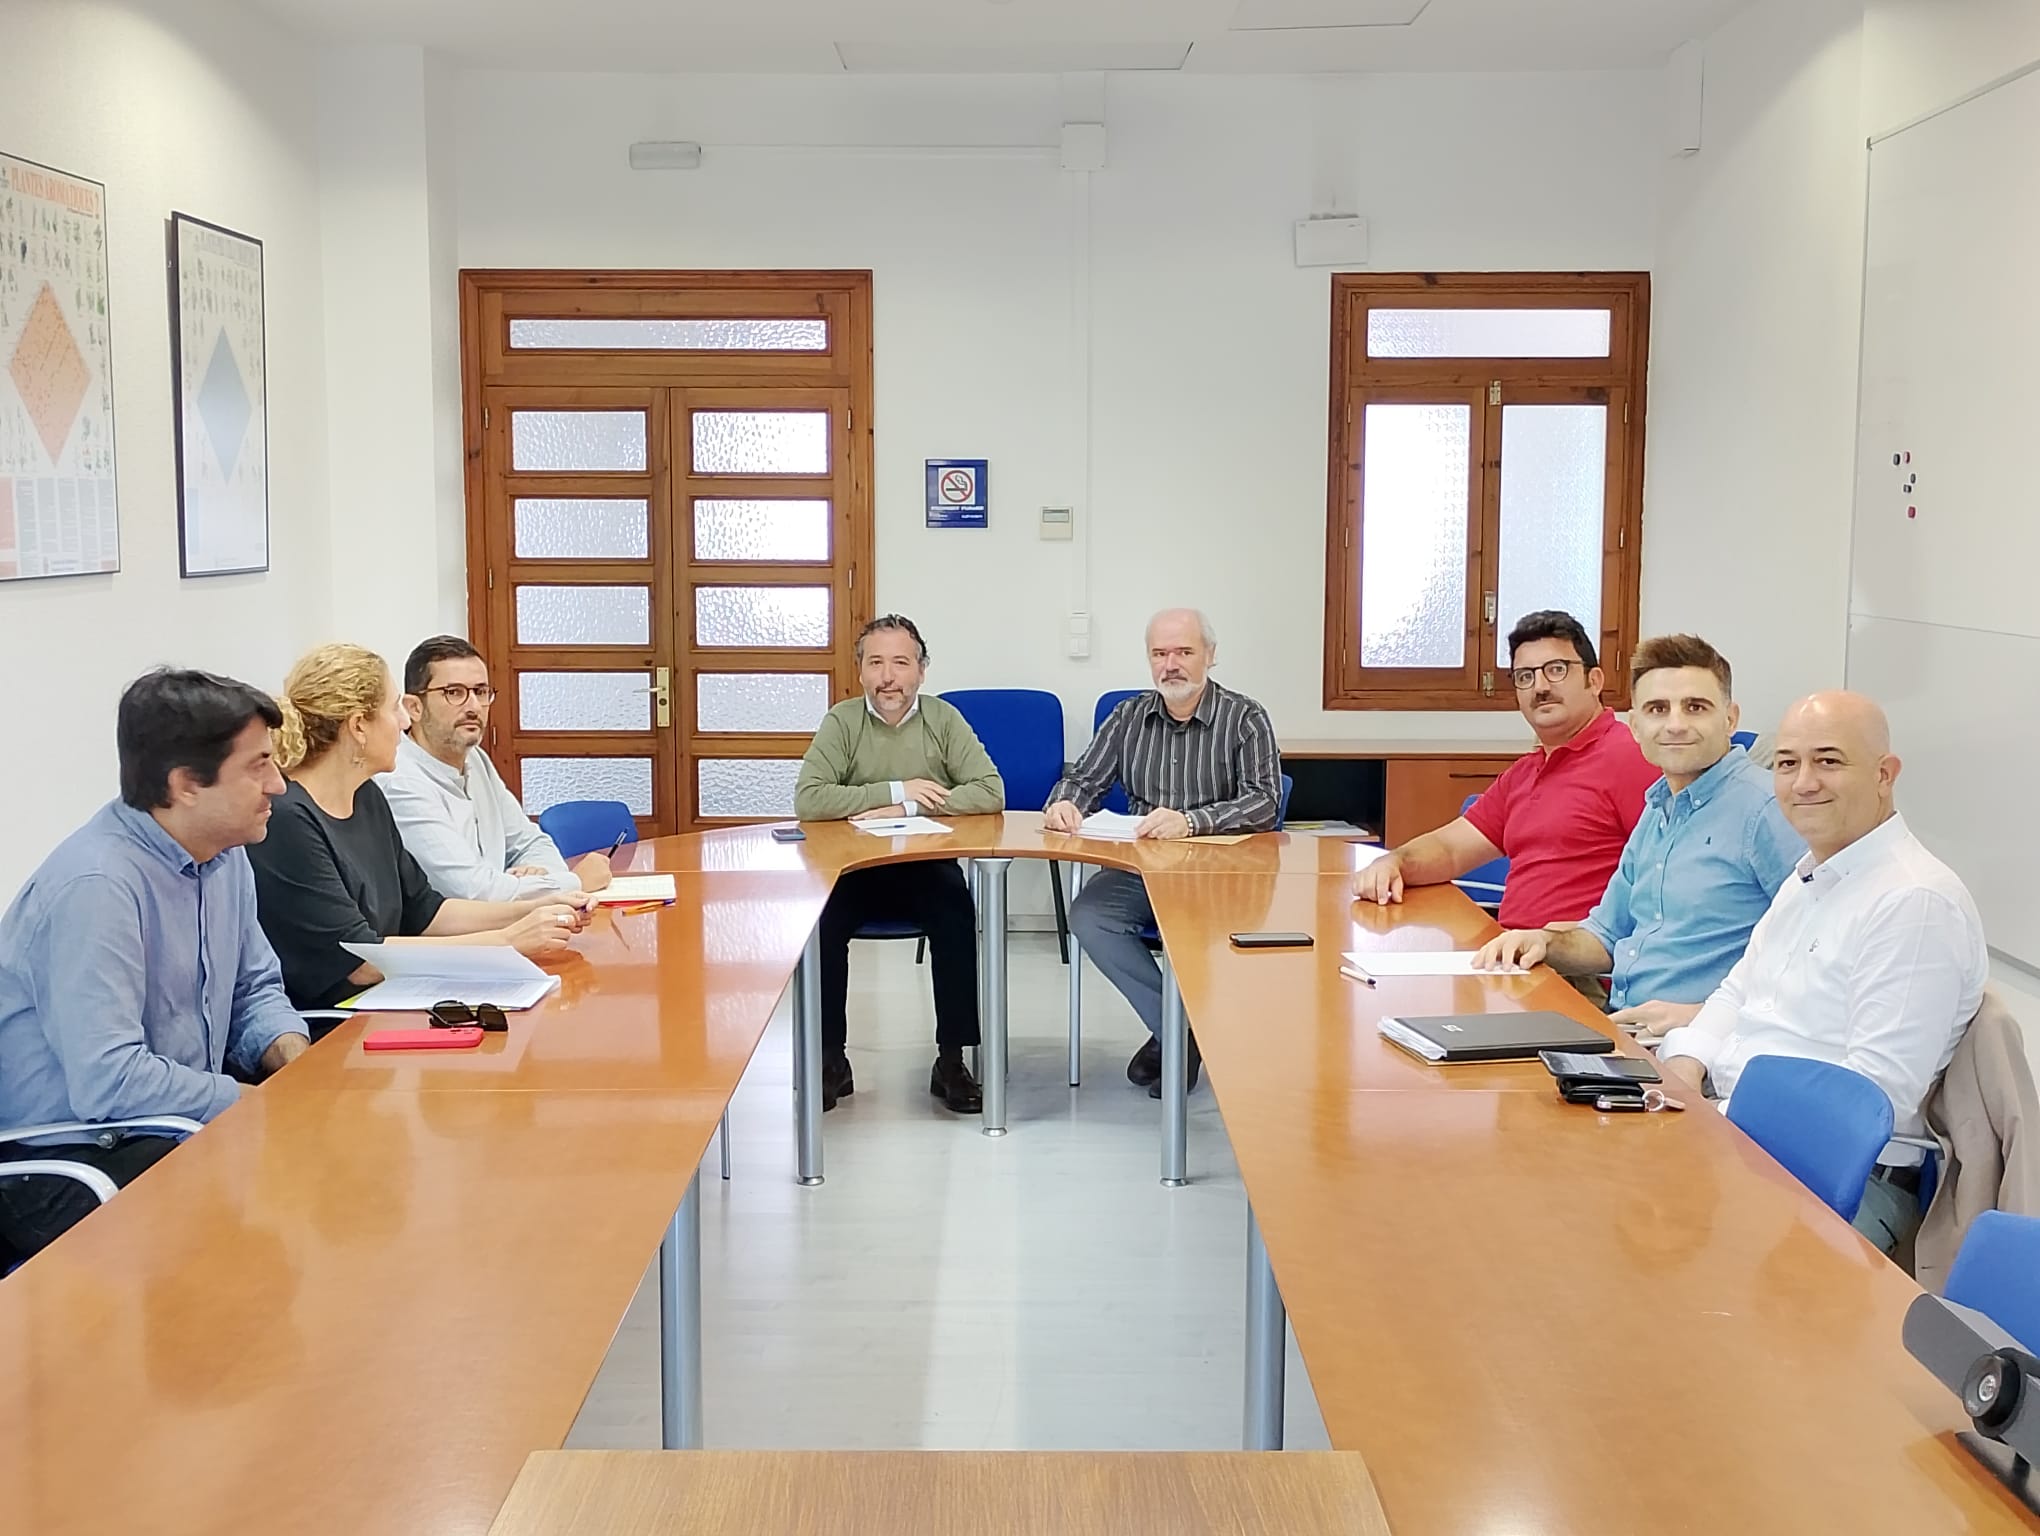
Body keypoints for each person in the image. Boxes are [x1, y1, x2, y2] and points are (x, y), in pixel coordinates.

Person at [1656, 691, 1987, 1257]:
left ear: (1885, 774)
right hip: (1743, 1136)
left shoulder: (1913, 901)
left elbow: (1869, 1098)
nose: (1803, 782)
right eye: (1787, 763)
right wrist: (1683, 1069)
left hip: (1842, 1178)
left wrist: (1719, 1126)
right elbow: (1739, 990)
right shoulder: (1813, 872)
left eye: (1828, 761)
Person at [0, 670, 312, 1260]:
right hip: (64, 1160)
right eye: (258, 766)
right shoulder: (97, 887)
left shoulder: (225, 855)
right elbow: (109, 1080)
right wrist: (252, 1103)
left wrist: (294, 1064)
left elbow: (256, 989)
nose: (278, 784)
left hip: (171, 1128)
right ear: (185, 784)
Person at [1475, 634, 1803, 1029]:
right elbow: (1605, 936)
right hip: (1627, 1027)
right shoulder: (1657, 809)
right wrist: (1544, 941)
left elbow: (1818, 960)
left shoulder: (1767, 810)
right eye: (1657, 709)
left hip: (1703, 1045)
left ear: (1730, 719)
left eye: (1695, 708)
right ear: (1635, 726)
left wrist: (1704, 1018)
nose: (1676, 725)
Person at [246, 644, 590, 1011]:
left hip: (387, 1004)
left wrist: (538, 906)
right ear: (359, 726)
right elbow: (360, 962)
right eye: (394, 708)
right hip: (332, 1025)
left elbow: (427, 912)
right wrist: (507, 941)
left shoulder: (368, 799)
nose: (405, 722)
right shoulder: (288, 819)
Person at [1049, 608, 1281, 1097]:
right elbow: (1083, 779)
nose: (1170, 665)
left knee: (1196, 931)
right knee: (1089, 916)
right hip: (1143, 868)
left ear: (1210, 657)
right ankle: (1181, 1032)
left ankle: (1170, 1036)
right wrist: (1065, 804)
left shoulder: (1245, 717)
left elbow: (1264, 801)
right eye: (1160, 654)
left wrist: (1192, 821)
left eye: (1183, 652)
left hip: (1220, 872)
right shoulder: (1128, 716)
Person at [793, 614, 1005, 1114]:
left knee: (955, 915)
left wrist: (910, 806)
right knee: (822, 925)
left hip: (925, 863)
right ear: (861, 671)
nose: (889, 677)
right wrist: (893, 789)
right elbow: (809, 799)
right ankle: (830, 1059)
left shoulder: (943, 719)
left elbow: (990, 790)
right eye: (877, 663)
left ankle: (951, 1060)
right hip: (854, 867)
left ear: (922, 671)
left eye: (901, 663)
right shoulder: (842, 721)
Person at [1353, 609, 1660, 930]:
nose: (1540, 686)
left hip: (1579, 969)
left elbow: (1664, 884)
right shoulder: (1526, 773)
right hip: (1512, 956)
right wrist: (1394, 862)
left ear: (1594, 680)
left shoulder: (1632, 757)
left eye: (1556, 670)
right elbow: (1451, 849)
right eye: (1525, 676)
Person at [380, 635, 611, 901]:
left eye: (480, 691)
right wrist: (575, 882)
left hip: (506, 925)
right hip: (454, 938)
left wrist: (538, 877)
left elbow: (530, 842)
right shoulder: (400, 780)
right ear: (414, 708)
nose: (474, 707)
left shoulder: (475, 759)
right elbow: (474, 892)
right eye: (454, 693)